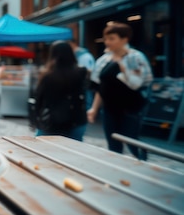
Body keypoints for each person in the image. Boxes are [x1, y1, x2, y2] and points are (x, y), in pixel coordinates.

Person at [87, 22, 153, 160]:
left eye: (111, 38)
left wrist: (123, 70)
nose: (107, 42)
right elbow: (100, 86)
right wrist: (94, 108)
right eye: (106, 39)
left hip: (131, 108)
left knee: (131, 140)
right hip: (109, 108)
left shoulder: (135, 57)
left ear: (124, 39)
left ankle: (143, 165)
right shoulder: (103, 60)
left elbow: (137, 84)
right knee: (113, 143)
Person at [34, 41, 88, 141]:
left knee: (44, 151)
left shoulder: (48, 75)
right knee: (75, 151)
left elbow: (39, 99)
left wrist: (36, 119)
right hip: (77, 118)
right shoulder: (81, 73)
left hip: (52, 120)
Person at [69, 38, 95, 109]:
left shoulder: (85, 56)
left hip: (85, 83)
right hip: (78, 84)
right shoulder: (74, 56)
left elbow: (90, 70)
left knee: (87, 101)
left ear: (73, 44)